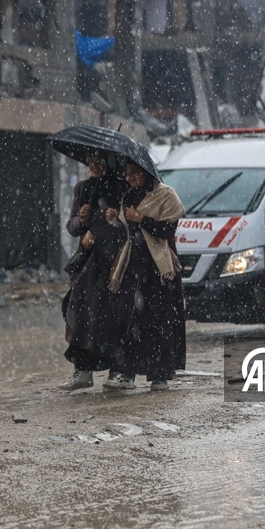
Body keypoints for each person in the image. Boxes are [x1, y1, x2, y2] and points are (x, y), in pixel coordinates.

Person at [107, 162, 187, 391]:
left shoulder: (165, 194)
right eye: (127, 172)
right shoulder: (128, 196)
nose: (130, 176)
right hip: (133, 268)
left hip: (158, 271)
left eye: (135, 172)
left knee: (159, 320)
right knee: (130, 318)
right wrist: (116, 218)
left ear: (146, 172)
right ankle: (128, 373)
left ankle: (159, 374)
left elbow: (168, 231)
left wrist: (141, 218)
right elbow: (126, 232)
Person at [59, 154, 127, 390]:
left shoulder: (121, 186)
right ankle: (83, 371)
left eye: (99, 160)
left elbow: (129, 226)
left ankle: (118, 371)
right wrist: (81, 220)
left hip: (114, 263)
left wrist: (113, 222)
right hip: (87, 265)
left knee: (114, 317)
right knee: (81, 316)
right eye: (90, 161)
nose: (94, 165)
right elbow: (72, 226)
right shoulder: (83, 188)